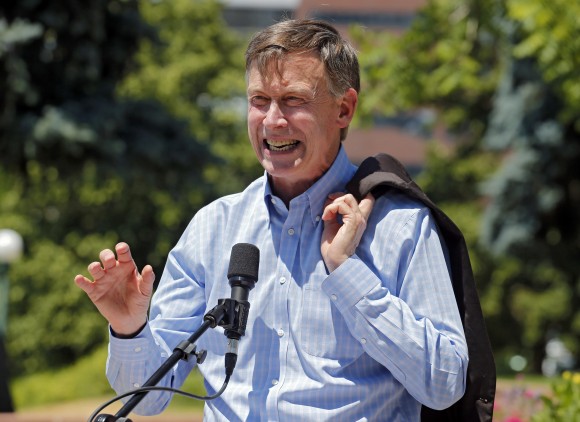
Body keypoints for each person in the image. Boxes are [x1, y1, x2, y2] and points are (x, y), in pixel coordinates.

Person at [75, 19, 468, 421]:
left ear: (344, 109)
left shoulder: (401, 225)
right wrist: (129, 328)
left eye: (294, 100)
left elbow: (445, 385)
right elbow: (147, 398)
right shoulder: (212, 227)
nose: (273, 120)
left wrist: (347, 273)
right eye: (259, 100)